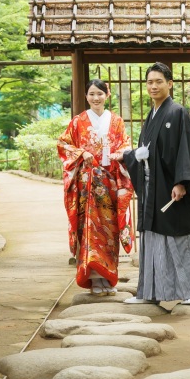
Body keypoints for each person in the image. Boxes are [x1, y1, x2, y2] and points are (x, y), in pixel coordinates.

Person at [112, 62, 190, 305]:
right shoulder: (152, 114)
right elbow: (148, 151)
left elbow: (186, 149)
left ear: (170, 83)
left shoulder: (177, 112)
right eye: (150, 82)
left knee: (178, 235)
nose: (153, 86)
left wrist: (182, 182)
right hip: (151, 187)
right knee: (153, 238)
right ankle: (150, 293)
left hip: (170, 186)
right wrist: (131, 155)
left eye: (158, 82)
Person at [58, 79, 134, 296]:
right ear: (86, 96)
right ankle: (93, 280)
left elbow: (125, 145)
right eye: (91, 94)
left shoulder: (117, 121)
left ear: (107, 95)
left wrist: (120, 155)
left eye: (100, 93)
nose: (96, 98)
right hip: (87, 186)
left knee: (109, 231)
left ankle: (108, 278)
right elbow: (63, 145)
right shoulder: (78, 121)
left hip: (110, 183)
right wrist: (83, 153)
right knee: (90, 230)